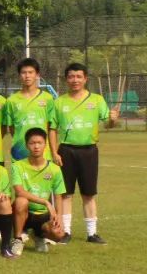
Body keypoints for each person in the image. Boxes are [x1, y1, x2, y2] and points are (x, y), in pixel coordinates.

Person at [50, 62, 118, 244]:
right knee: (66, 194)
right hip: (65, 151)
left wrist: (113, 120)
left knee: (88, 193)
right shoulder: (59, 102)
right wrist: (54, 152)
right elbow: (52, 129)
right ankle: (65, 232)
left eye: (79, 76)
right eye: (71, 76)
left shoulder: (96, 100)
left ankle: (92, 233)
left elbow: (108, 124)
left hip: (89, 150)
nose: (75, 80)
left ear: (85, 78)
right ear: (66, 79)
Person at [11, 127, 66, 255]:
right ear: (26, 145)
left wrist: (59, 217)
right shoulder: (18, 166)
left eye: (39, 143)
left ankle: (39, 237)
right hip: (24, 212)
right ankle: (18, 238)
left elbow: (58, 196)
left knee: (59, 235)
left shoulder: (54, 169)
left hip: (43, 215)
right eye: (32, 143)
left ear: (45, 145)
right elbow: (19, 191)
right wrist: (46, 203)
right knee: (21, 201)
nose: (36, 146)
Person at [3, 58, 55, 162]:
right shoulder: (11, 100)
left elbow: (51, 127)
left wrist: (54, 152)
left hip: (43, 154)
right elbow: (12, 128)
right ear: (19, 76)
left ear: (37, 75)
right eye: (23, 73)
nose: (27, 76)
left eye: (31, 72)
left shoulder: (47, 98)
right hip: (19, 153)